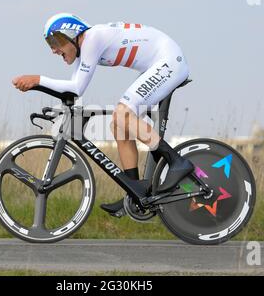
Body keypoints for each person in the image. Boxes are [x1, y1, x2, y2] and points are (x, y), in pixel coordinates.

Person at [12, 13, 194, 217]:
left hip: (169, 61)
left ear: (71, 34)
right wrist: (41, 87)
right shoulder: (85, 48)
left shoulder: (92, 38)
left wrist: (37, 80)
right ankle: (134, 193)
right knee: (119, 125)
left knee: (122, 114)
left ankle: (177, 162)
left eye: (55, 42)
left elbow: (76, 88)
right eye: (49, 44)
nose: (53, 50)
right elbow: (71, 91)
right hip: (159, 63)